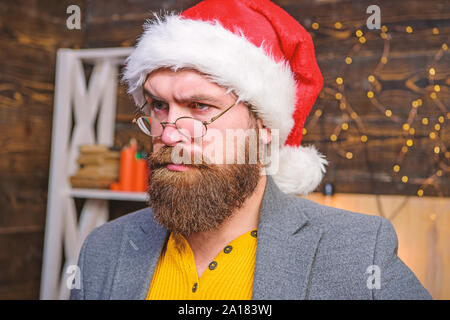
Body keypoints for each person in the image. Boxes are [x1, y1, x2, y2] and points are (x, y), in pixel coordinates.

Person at [70, 0, 431, 300]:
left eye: (200, 106)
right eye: (159, 106)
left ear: (263, 127)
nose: (169, 134)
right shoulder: (103, 250)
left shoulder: (357, 251)